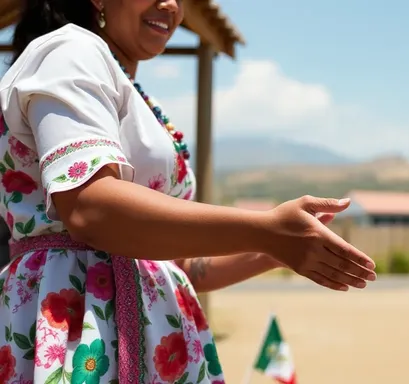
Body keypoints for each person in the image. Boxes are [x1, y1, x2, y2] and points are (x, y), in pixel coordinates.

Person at [0, 0, 377, 382]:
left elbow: (180, 266)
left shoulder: (137, 94)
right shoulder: (69, 51)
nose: (171, 5)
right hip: (79, 329)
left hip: (158, 342)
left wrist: (276, 249)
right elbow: (91, 207)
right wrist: (266, 229)